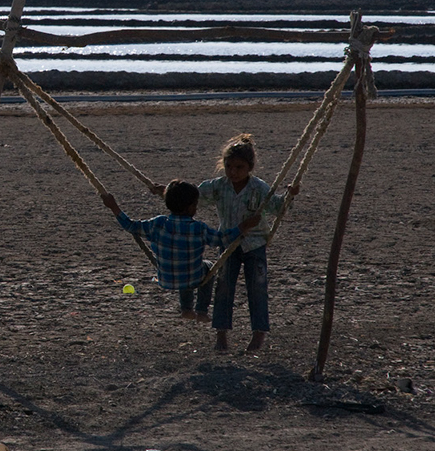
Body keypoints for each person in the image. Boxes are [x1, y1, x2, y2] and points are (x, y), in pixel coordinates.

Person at [197, 133, 299, 356]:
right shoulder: (218, 186)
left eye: (239, 167)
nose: (233, 172)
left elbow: (277, 207)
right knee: (224, 288)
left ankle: (259, 332)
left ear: (250, 167)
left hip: (254, 245)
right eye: (229, 166)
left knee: (257, 289)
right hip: (228, 244)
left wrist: (289, 196)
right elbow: (192, 196)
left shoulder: (259, 188)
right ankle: (221, 333)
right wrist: (167, 191)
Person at [102, 180, 260, 323]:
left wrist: (113, 206)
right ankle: (201, 310)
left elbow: (131, 226)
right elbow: (222, 239)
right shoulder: (198, 229)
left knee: (183, 263)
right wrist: (243, 227)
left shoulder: (158, 224)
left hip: (165, 278)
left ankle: (186, 309)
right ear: (191, 207)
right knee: (207, 266)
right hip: (192, 277)